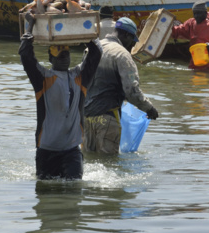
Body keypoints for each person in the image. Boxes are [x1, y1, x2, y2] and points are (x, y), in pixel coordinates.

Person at [19, 13, 103, 180]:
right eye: (59, 55)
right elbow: (25, 54)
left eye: (66, 54)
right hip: (47, 150)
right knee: (46, 196)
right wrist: (30, 26)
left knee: (74, 191)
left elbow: (96, 52)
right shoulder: (43, 79)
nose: (64, 57)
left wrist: (83, 27)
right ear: (50, 58)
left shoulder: (79, 76)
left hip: (71, 149)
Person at [83, 17, 159, 154]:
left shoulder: (92, 49)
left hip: (86, 117)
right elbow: (131, 91)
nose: (131, 45)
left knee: (89, 161)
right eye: (131, 41)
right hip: (107, 117)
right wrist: (149, 108)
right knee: (109, 165)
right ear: (126, 35)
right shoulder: (122, 54)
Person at [171, 1, 209, 70]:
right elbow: (178, 31)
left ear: (205, 13)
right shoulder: (191, 23)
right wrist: (165, 27)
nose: (196, 16)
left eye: (199, 13)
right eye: (195, 14)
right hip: (195, 66)